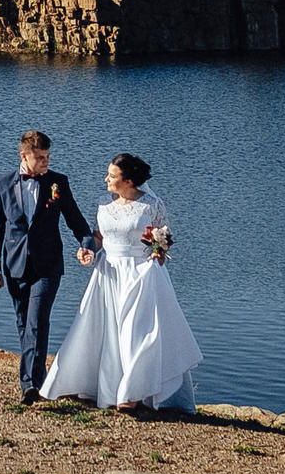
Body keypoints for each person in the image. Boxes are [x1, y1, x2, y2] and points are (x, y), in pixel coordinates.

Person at [39, 153, 202, 414]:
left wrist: (158, 253)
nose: (106, 180)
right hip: (108, 273)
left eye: (112, 176)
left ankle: (133, 393)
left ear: (128, 181)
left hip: (140, 274)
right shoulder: (104, 203)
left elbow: (163, 234)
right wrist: (88, 251)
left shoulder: (151, 205)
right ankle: (89, 384)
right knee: (100, 330)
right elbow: (98, 236)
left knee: (135, 333)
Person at [0, 129, 99, 406]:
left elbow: (76, 220)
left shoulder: (57, 182)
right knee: (24, 322)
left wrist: (87, 244)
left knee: (37, 322)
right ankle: (38, 377)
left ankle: (31, 384)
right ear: (24, 156)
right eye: (40, 158)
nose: (46, 162)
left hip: (49, 266)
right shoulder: (3, 183)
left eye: (48, 156)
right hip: (14, 265)